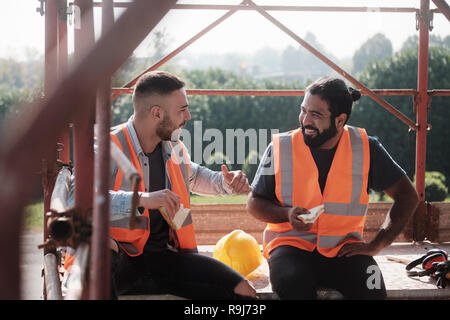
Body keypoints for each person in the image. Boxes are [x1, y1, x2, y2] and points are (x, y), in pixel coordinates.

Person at [67, 71, 255, 300]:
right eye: (182, 109)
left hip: (164, 260)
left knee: (242, 291)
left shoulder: (172, 147)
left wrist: (226, 183)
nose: (188, 115)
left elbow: (194, 176)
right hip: (120, 262)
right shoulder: (107, 148)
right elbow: (77, 199)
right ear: (157, 113)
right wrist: (142, 199)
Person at [247, 76, 420, 300]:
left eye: (315, 115)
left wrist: (377, 244)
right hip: (290, 246)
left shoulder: (367, 147)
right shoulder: (281, 147)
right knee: (292, 286)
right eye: (303, 110)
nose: (305, 120)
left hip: (345, 248)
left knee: (373, 286)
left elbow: (408, 197)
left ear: (340, 120)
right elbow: (254, 202)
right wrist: (286, 214)